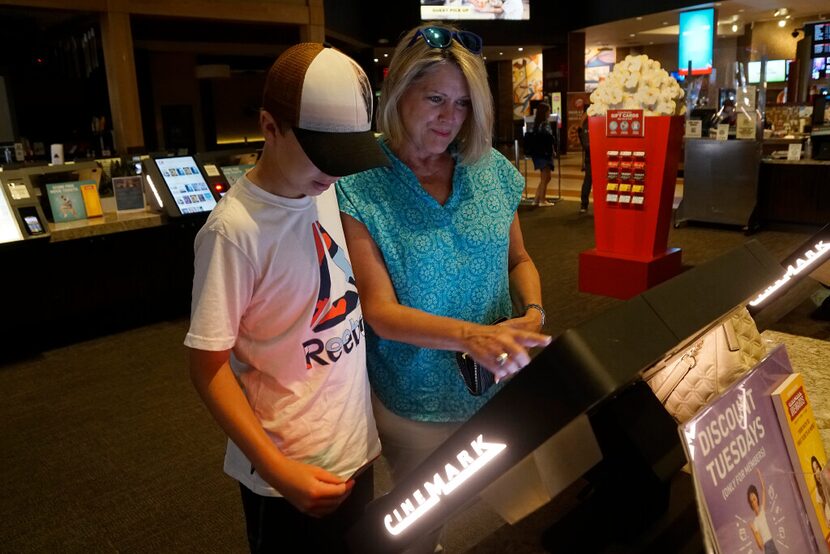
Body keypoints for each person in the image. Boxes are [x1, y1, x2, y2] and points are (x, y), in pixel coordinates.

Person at [336, 24, 551, 552]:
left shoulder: (490, 169)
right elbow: (381, 312)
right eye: (435, 98)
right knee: (421, 528)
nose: (448, 118)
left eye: (461, 104)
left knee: (531, 510)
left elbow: (519, 259)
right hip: (417, 399)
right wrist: (470, 336)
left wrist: (534, 309)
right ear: (398, 92)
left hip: (501, 381)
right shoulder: (359, 185)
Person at [184, 43, 390, 553]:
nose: (336, 172)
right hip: (284, 472)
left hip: (352, 447)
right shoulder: (234, 232)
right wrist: (279, 470)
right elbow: (206, 363)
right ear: (269, 128)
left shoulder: (321, 189)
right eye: (323, 155)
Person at [527, 102, 555, 207]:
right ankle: (542, 200)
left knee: (546, 177)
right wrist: (553, 150)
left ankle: (537, 199)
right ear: (545, 112)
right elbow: (549, 139)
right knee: (545, 177)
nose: (549, 113)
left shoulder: (536, 124)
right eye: (548, 110)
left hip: (537, 153)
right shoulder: (545, 124)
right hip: (545, 153)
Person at [747, 469, 779, 554]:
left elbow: (763, 489)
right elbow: (761, 546)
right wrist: (753, 530)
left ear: (757, 498)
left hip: (772, 544)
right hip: (767, 548)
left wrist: (759, 474)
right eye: (751, 501)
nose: (754, 502)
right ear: (751, 504)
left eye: (754, 499)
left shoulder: (762, 510)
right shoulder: (755, 522)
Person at [578, 104, 592, 213]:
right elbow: (586, 144)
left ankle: (584, 205)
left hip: (589, 156)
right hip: (592, 156)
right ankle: (584, 204)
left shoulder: (583, 123)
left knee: (588, 180)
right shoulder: (589, 123)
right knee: (588, 180)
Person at [812, 456, 830, 524]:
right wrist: (826, 520)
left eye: (817, 468)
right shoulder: (817, 489)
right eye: (814, 470)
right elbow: (822, 508)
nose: (817, 471)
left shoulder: (827, 476)